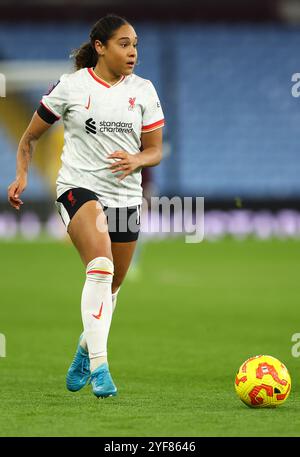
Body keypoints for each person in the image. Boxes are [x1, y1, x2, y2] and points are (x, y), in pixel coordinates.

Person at [7, 14, 165, 399]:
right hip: (78, 190)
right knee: (100, 265)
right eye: (124, 44)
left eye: (136, 45)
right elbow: (29, 138)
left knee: (111, 287)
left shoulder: (143, 90)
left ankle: (83, 348)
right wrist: (22, 176)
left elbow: (155, 150)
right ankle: (100, 367)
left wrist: (136, 161)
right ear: (100, 47)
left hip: (125, 196)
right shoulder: (70, 87)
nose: (133, 52)